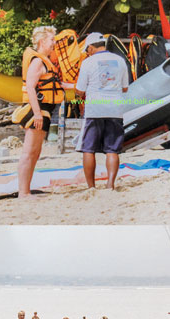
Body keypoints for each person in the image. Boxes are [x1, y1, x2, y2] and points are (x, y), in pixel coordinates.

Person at [17, 26, 70, 198]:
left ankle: (26, 189)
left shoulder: (46, 62)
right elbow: (31, 88)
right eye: (52, 40)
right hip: (37, 111)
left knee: (36, 152)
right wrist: (37, 113)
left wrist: (77, 87)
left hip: (45, 110)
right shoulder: (38, 61)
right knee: (29, 152)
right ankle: (23, 192)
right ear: (42, 42)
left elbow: (56, 84)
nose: (54, 43)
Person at [75, 32, 130, 190]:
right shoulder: (120, 60)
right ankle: (110, 185)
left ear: (91, 48)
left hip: (94, 109)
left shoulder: (88, 62)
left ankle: (91, 187)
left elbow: (80, 90)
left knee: (88, 148)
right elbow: (125, 88)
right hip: (115, 109)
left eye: (87, 50)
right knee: (112, 150)